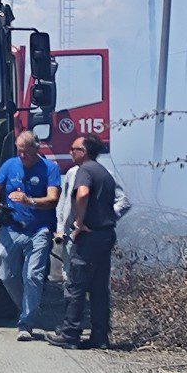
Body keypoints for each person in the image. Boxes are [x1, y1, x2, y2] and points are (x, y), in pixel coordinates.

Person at [0, 130, 61, 339]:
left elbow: (53, 199)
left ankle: (26, 322)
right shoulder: (10, 165)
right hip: (11, 228)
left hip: (39, 230)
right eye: (19, 152)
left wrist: (30, 201)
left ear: (37, 149)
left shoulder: (50, 169)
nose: (22, 156)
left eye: (26, 152)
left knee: (33, 276)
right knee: (6, 275)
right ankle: (28, 307)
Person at [53, 134, 121, 348]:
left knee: (77, 285)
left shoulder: (85, 170)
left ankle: (70, 334)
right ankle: (100, 336)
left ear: (85, 152)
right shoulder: (104, 172)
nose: (71, 152)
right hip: (106, 234)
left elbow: (82, 194)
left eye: (74, 149)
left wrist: (79, 222)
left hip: (89, 237)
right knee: (99, 287)